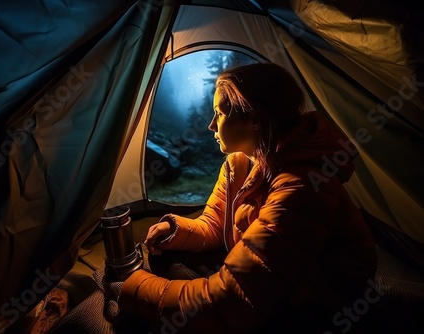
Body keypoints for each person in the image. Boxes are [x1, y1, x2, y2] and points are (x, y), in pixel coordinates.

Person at [116, 62, 377, 333]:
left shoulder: (302, 188)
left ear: (254, 120)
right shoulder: (239, 163)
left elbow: (230, 301)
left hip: (317, 304)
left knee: (147, 302)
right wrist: (176, 229)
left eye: (219, 113)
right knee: (162, 263)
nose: (210, 125)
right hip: (278, 283)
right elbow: (216, 223)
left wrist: (133, 289)